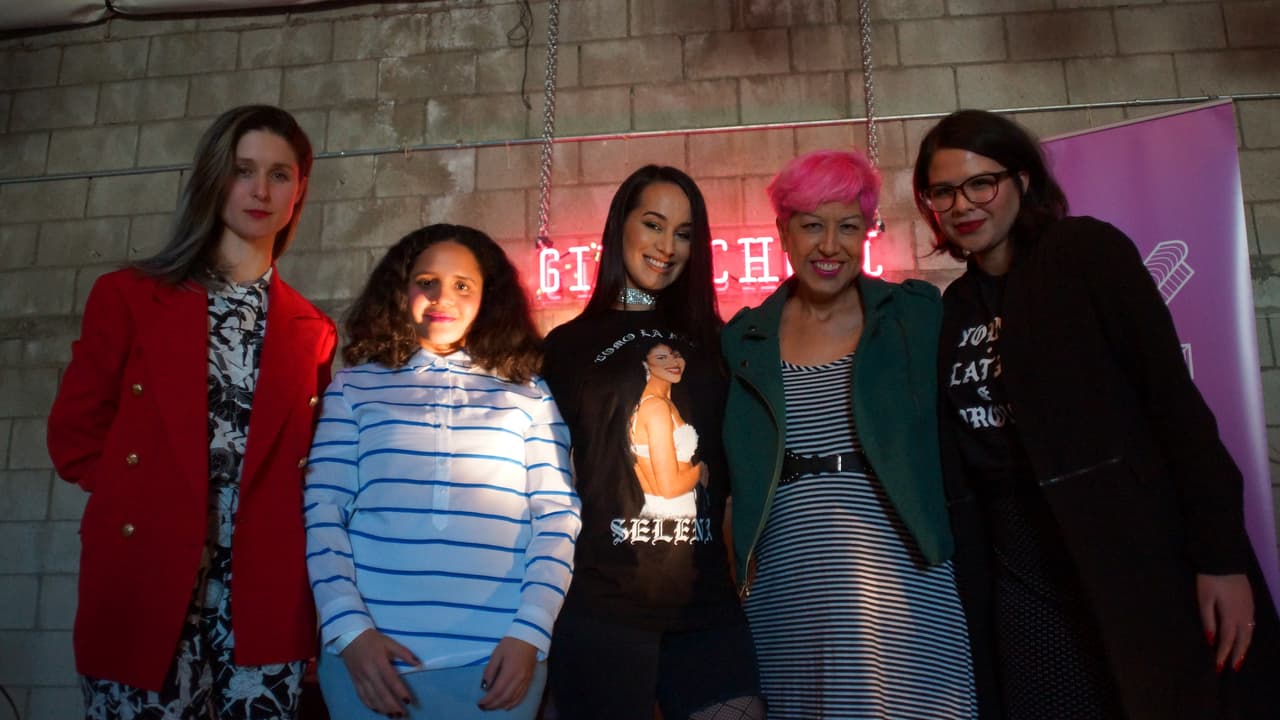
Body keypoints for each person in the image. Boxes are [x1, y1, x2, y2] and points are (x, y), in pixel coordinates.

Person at [913, 108, 1280, 719]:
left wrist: (1221, 559)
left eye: (981, 183)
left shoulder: (1084, 253)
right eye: (942, 191)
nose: (962, 205)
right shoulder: (954, 307)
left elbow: (1174, 407)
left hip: (1126, 548)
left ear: (1022, 180)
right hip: (1019, 567)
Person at [46, 105, 335, 719]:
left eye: (279, 174)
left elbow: (311, 468)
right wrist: (144, 498)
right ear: (213, 177)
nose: (261, 191)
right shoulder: (128, 296)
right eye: (243, 170)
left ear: (299, 191)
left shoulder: (313, 331)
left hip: (264, 598)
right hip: (146, 581)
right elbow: (74, 438)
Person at [721, 149, 978, 719]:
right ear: (783, 232)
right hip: (789, 582)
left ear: (867, 231)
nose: (830, 246)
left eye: (848, 226)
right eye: (812, 226)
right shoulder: (744, 339)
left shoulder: (913, 315)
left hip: (904, 574)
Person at [304, 224, 580, 720]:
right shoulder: (353, 388)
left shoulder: (530, 394)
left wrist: (530, 634)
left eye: (462, 285)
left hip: (498, 664)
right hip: (371, 666)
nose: (441, 297)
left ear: (487, 299)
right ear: (400, 289)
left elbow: (557, 519)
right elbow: (323, 514)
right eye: (426, 281)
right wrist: (350, 633)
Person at [540, 165, 764, 720]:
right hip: (601, 608)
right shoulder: (566, 347)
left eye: (684, 233)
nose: (667, 247)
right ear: (621, 225)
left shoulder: (717, 342)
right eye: (654, 224)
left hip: (705, 607)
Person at [629, 340, 707, 519]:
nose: (673, 362)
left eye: (676, 356)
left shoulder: (664, 403)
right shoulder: (656, 407)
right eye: (661, 358)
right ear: (645, 364)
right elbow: (669, 488)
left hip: (672, 511)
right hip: (670, 513)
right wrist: (700, 470)